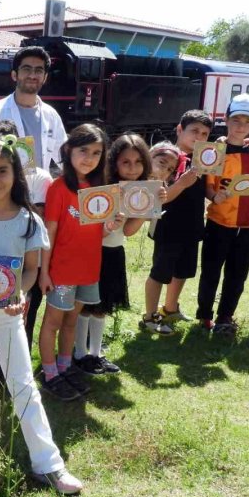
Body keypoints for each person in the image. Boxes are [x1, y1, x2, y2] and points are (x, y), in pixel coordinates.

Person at [0, 134, 82, 495]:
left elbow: (28, 270)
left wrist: (20, 295)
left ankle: (48, 462)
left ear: (15, 173)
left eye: (2, 171)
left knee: (22, 383)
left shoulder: (28, 221)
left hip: (8, 313)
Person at [39, 124, 122, 400]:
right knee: (53, 322)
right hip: (61, 272)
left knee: (72, 321)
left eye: (97, 153)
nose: (89, 158)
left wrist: (111, 225)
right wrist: (44, 271)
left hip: (88, 270)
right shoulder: (58, 187)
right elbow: (49, 231)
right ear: (68, 151)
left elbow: (98, 231)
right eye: (83, 150)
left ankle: (65, 365)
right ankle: (50, 372)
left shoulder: (99, 189)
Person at [76, 134, 162, 374]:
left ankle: (96, 353)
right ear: (114, 162)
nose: (132, 168)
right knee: (86, 305)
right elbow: (91, 230)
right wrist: (110, 223)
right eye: (126, 162)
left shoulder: (141, 190)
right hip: (93, 253)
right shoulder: (102, 187)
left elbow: (130, 231)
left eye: (138, 162)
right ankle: (79, 353)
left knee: (103, 305)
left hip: (115, 252)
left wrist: (151, 206)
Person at [195, 94, 249, 334]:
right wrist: (215, 197)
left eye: (247, 122)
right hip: (218, 222)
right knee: (211, 271)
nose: (240, 126)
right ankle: (205, 315)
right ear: (226, 119)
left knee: (237, 275)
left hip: (246, 227)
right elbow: (207, 185)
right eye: (236, 120)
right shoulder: (215, 150)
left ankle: (226, 317)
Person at [0, 118, 53, 348]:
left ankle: (17, 369)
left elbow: (42, 222)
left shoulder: (41, 177)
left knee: (24, 316)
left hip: (27, 259)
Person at [141, 111, 211, 333]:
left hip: (192, 225)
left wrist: (217, 196)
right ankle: (149, 316)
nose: (199, 137)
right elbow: (157, 200)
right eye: (194, 131)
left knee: (183, 270)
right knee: (160, 271)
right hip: (167, 225)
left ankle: (170, 309)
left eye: (204, 133)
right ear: (180, 130)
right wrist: (181, 183)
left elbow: (205, 188)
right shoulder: (166, 158)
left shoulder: (205, 158)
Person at [0, 45, 67, 175]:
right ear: (14, 75)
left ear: (44, 78)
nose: (32, 75)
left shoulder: (52, 116)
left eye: (38, 70)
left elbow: (63, 157)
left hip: (40, 190)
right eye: (26, 69)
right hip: (8, 191)